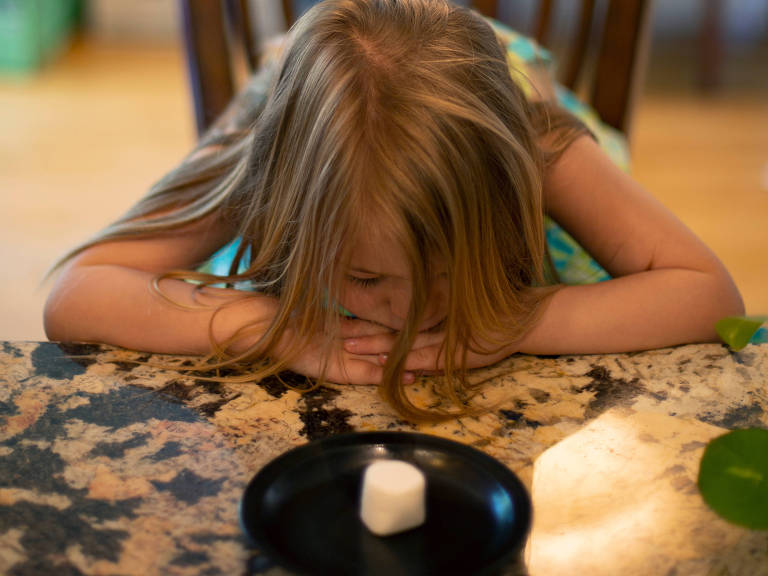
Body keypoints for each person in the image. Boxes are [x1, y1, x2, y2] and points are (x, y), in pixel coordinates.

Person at [43, 0, 743, 422]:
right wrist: (274, 330)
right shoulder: (271, 165)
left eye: (446, 270)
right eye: (365, 278)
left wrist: (513, 325)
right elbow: (79, 292)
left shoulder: (538, 150)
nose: (410, 314)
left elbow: (707, 294)